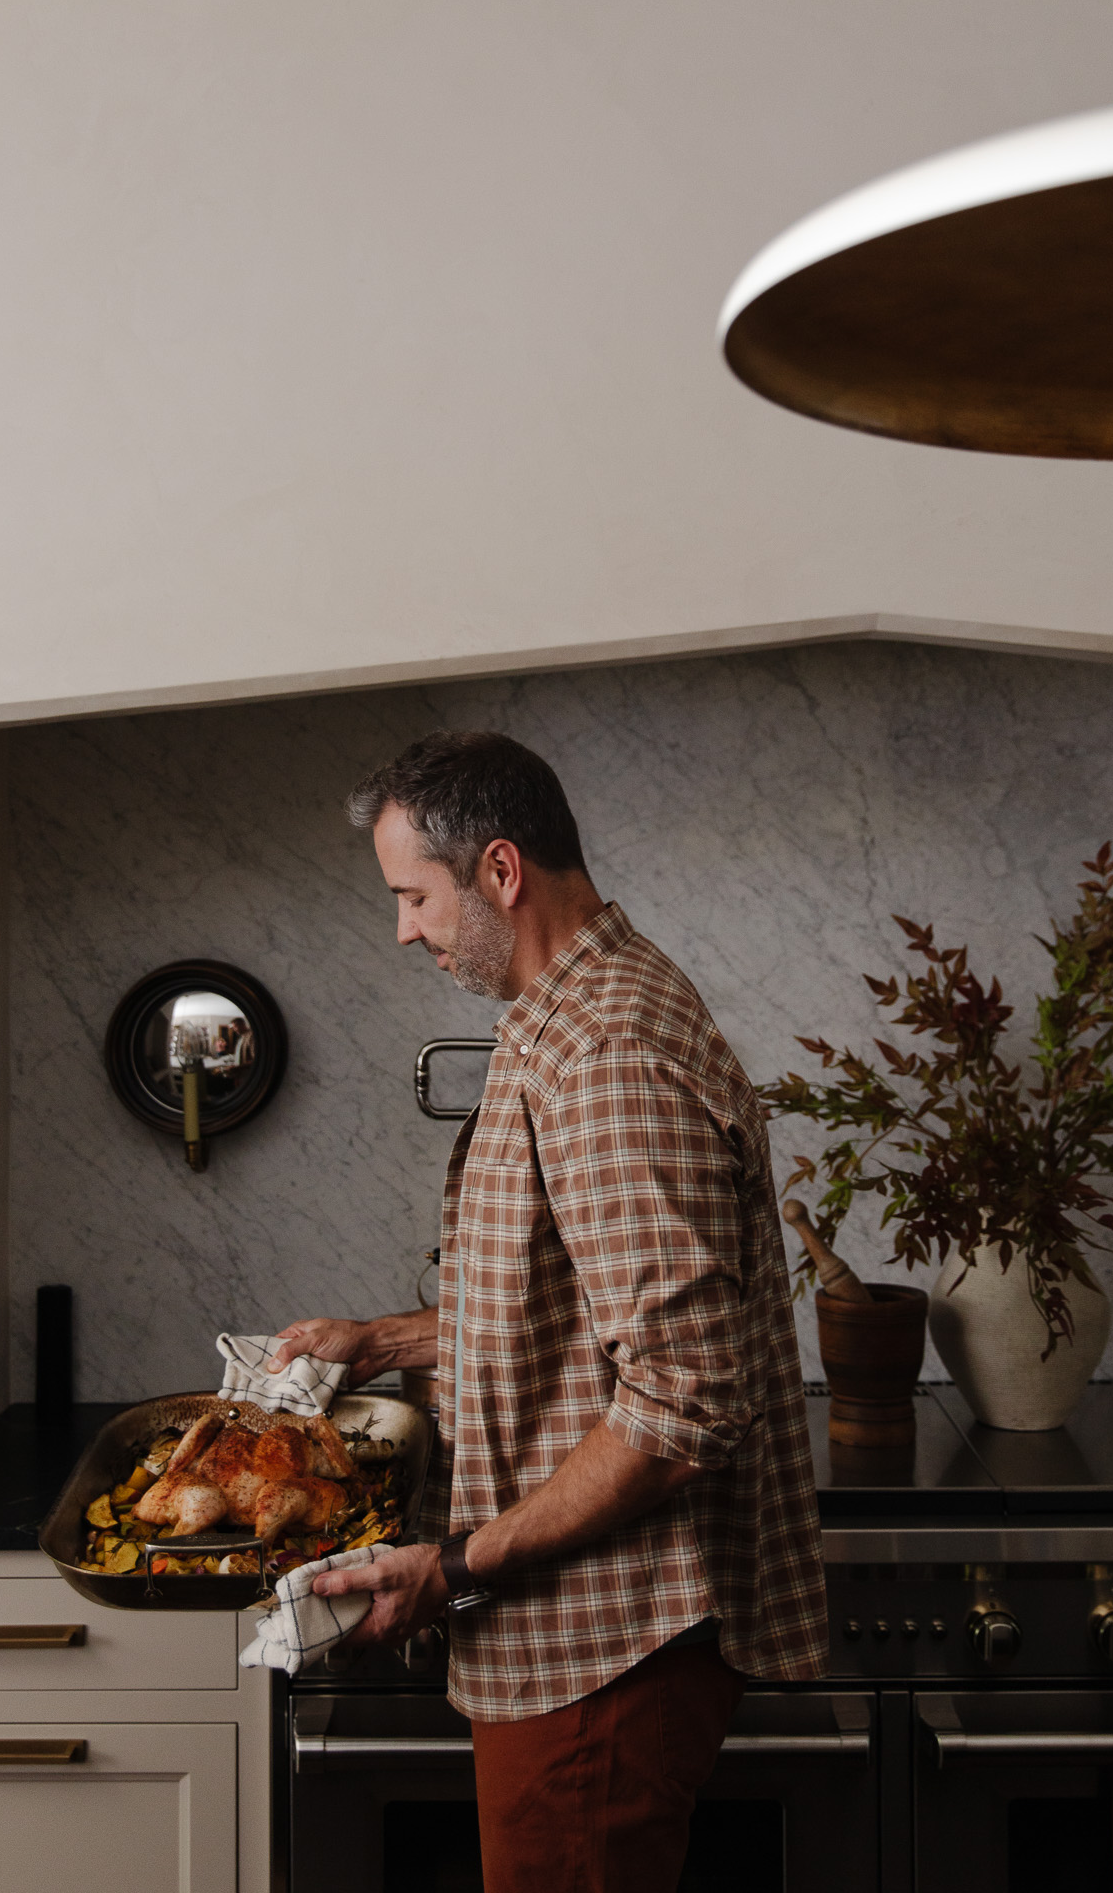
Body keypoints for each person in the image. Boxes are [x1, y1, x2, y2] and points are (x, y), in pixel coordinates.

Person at [269, 729, 825, 1893]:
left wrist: (456, 1565)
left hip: (605, 1639)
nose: (404, 927)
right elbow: (566, 1304)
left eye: (414, 895)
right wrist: (376, 1342)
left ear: (501, 872)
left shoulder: (607, 1050)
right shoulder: (557, 1009)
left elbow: (682, 1401)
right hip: (573, 1633)